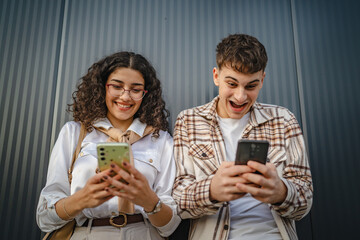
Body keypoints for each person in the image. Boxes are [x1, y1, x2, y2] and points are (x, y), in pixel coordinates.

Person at [172, 34, 313, 240]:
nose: (240, 96)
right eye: (232, 84)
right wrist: (211, 190)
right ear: (216, 76)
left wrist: (281, 192)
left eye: (251, 86)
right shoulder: (188, 120)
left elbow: (305, 201)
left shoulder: (283, 119)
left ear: (262, 80)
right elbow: (177, 201)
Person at [37, 51, 181, 239]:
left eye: (136, 89)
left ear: (145, 95)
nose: (125, 96)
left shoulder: (161, 140)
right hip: (86, 233)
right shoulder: (73, 133)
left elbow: (169, 227)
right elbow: (44, 218)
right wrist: (81, 200)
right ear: (102, 87)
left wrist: (150, 201)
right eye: (117, 86)